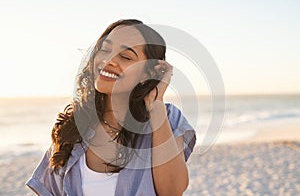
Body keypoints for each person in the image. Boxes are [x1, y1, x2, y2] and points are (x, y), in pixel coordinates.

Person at [26, 19, 196, 196]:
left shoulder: (166, 118)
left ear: (147, 73)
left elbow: (172, 191)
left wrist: (156, 105)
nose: (108, 60)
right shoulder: (72, 127)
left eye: (125, 57)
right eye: (105, 50)